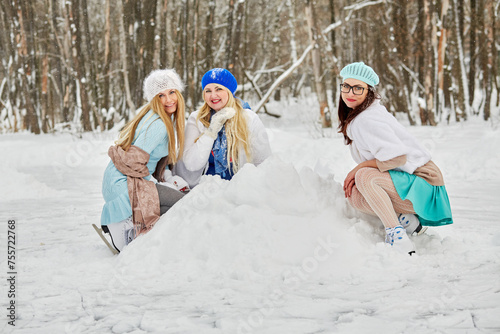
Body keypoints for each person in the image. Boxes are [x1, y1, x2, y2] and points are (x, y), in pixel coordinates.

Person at [337, 62, 453, 255]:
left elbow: (396, 159)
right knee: (355, 196)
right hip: (410, 185)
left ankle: (397, 237)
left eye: (358, 88)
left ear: (368, 91)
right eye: (346, 86)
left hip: (427, 185)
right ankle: (406, 220)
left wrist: (357, 169)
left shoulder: (367, 119)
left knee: (365, 176)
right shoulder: (363, 116)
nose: (350, 92)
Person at [100, 69, 187, 252]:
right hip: (123, 184)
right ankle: (123, 225)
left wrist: (166, 180)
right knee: (184, 204)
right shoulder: (159, 124)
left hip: (120, 180)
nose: (168, 100)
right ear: (154, 99)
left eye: (172, 92)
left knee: (171, 203)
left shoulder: (158, 118)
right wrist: (156, 183)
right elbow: (133, 161)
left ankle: (128, 221)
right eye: (161, 95)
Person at [176, 68, 271, 187]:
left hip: (239, 190)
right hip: (204, 190)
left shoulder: (249, 118)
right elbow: (191, 163)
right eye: (208, 91)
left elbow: (263, 162)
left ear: (229, 92)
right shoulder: (197, 119)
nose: (213, 95)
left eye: (218, 89)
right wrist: (211, 131)